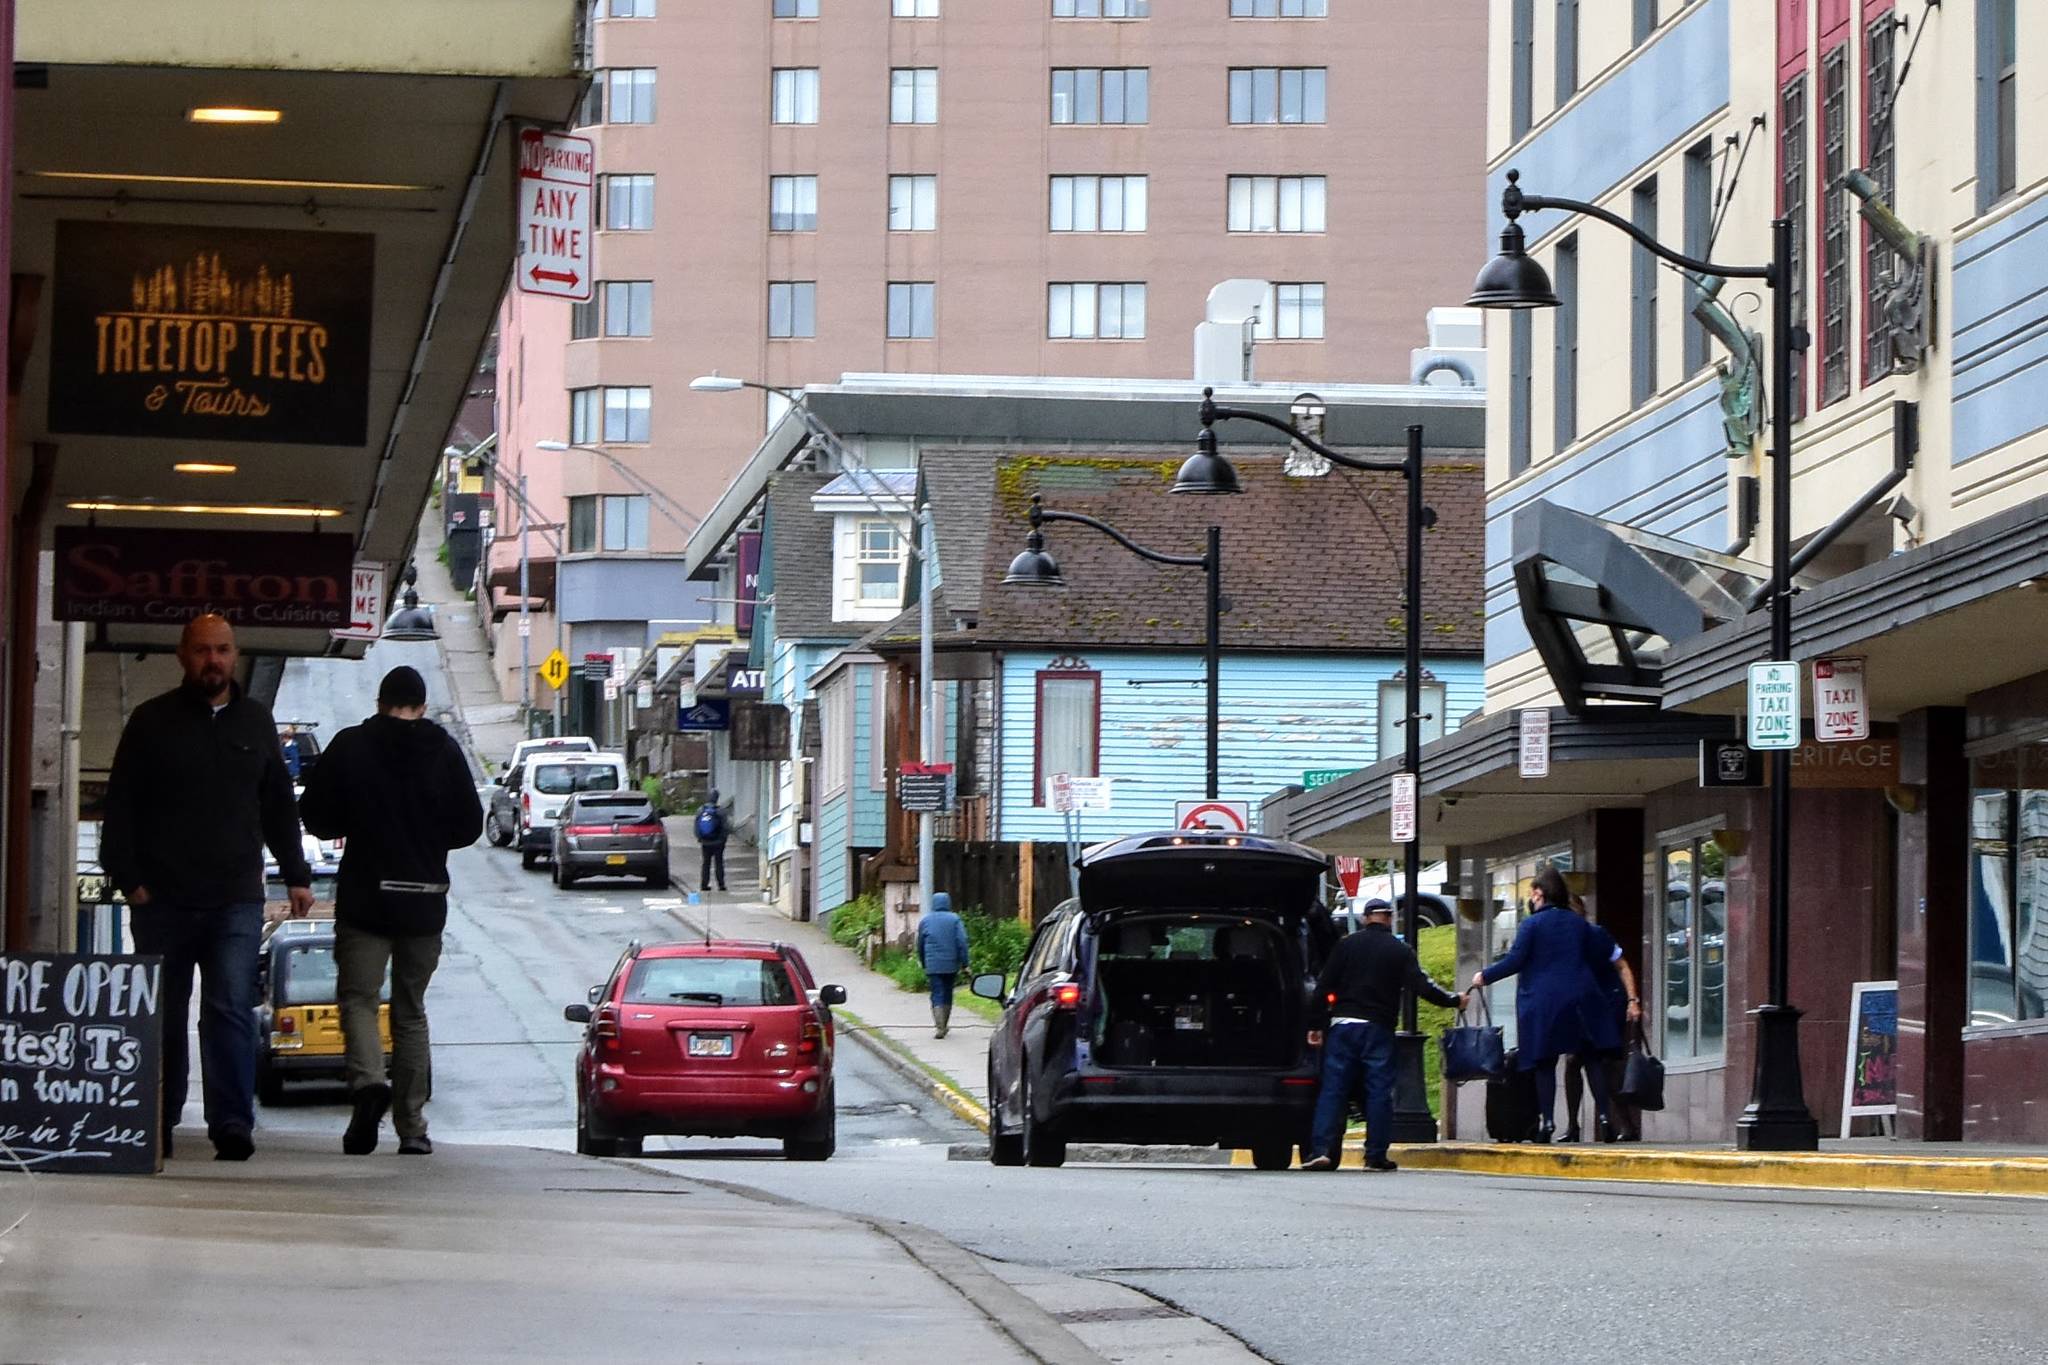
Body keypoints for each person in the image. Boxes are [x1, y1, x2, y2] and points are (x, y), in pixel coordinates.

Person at [101, 614, 314, 1161]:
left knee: (228, 1011)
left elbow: (277, 806)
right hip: (163, 900)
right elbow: (121, 804)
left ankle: (232, 1125)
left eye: (221, 650)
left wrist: (296, 875)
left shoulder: (255, 723)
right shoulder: (150, 722)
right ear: (182, 655)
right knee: (164, 1015)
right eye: (202, 651)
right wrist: (129, 879)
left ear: (234, 655)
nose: (212, 661)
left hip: (235, 899)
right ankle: (158, 1120)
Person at [298, 666, 483, 1156]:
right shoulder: (443, 751)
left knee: (358, 998)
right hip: (424, 901)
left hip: (366, 898)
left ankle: (367, 1084)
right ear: (421, 706)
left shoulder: (352, 745)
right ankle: (413, 1127)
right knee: (410, 1011)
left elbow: (315, 816)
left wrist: (353, 821)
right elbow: (469, 826)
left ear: (380, 703)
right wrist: (428, 837)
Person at [1303, 898, 1464, 1172]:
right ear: (1389, 919)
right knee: (1378, 1092)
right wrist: (1453, 1001)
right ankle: (1375, 1156)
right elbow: (1423, 986)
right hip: (1378, 1027)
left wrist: (1315, 1025)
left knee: (1333, 1090)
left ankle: (1321, 1150)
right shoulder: (1399, 950)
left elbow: (1323, 985)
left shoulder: (1346, 946)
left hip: (1342, 1026)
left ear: (1366, 918)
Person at [1471, 865, 1620, 1144]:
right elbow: (1598, 953)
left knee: (1544, 1061)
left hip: (1544, 1001)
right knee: (1591, 1056)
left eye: (1532, 892)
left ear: (1539, 893)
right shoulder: (1578, 923)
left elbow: (1516, 960)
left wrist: (1485, 976)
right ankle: (1604, 1117)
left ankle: (1548, 1123)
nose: (1531, 898)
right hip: (1582, 997)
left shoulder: (1531, 924)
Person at [1562, 894, 1644, 1142]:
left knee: (1603, 1064)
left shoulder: (1595, 935)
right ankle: (1582, 1123)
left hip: (1606, 1005)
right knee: (1577, 1062)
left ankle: (1618, 1122)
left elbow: (1622, 966)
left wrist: (1632, 1000)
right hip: (1583, 1006)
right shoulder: (1570, 939)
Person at [916, 891, 972, 1038]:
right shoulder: (954, 920)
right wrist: (965, 963)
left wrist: (923, 962)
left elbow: (920, 944)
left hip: (932, 964)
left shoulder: (926, 921)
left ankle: (939, 1026)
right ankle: (944, 1024)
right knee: (947, 992)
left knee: (937, 993)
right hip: (951, 964)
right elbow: (962, 942)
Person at [693, 789, 729, 892]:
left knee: (706, 863)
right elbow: (726, 827)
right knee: (719, 863)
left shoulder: (700, 810)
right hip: (718, 842)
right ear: (716, 798)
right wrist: (723, 839)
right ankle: (721, 885)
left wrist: (699, 838)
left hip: (705, 842)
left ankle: (704, 884)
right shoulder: (721, 811)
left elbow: (696, 826)